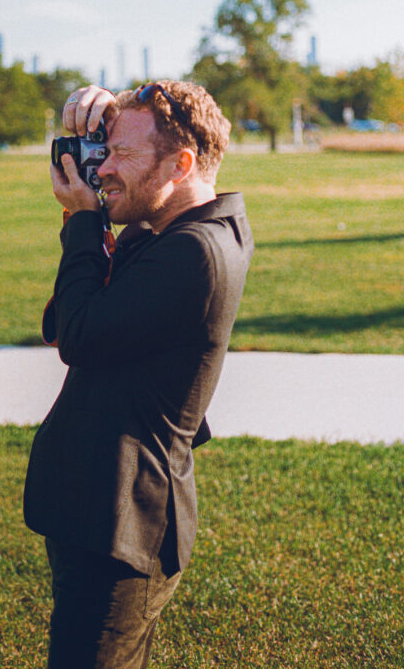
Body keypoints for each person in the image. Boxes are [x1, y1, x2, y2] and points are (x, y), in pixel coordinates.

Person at [23, 80, 254, 669]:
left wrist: (80, 222)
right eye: (104, 151)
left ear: (180, 164)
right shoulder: (175, 230)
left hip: (123, 523)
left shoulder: (194, 250)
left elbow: (77, 333)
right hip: (104, 508)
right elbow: (72, 316)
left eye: (119, 154)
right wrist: (110, 116)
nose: (101, 169)